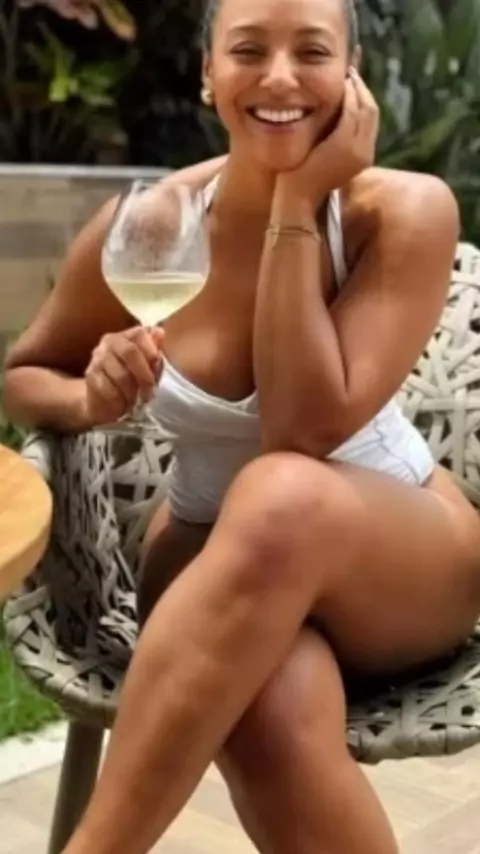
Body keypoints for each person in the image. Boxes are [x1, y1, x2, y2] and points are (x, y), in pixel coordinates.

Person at [3, 0, 480, 852]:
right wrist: (89, 399)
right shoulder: (155, 226)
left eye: (313, 51)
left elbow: (303, 430)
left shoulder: (404, 211)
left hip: (402, 561)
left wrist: (297, 200)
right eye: (249, 50)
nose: (281, 77)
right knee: (271, 712)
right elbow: (24, 373)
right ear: (208, 73)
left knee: (279, 489)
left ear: (352, 72)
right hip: (214, 572)